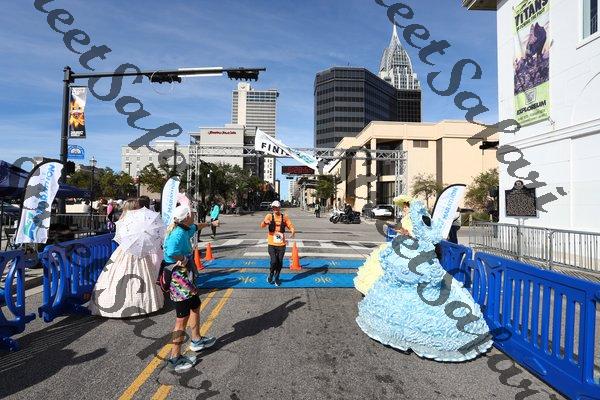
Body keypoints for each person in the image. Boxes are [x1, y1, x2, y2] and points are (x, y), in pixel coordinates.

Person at [355, 200, 492, 362]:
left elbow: (425, 238)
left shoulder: (421, 222)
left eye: (406, 206)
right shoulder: (415, 220)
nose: (405, 208)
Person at [163, 205, 219, 372]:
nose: (194, 215)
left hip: (186, 276)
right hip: (179, 278)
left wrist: (210, 224)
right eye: (192, 214)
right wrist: (183, 259)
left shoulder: (184, 228)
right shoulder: (178, 233)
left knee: (195, 305)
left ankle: (196, 339)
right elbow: (170, 251)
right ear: (187, 217)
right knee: (181, 319)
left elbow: (196, 226)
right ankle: (174, 357)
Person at [88, 199, 164, 318]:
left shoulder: (123, 220)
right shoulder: (137, 221)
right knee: (142, 275)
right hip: (136, 251)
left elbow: (122, 237)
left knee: (117, 275)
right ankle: (141, 304)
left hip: (123, 251)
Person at [354, 195, 412, 296]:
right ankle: (372, 287)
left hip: (405, 246)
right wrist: (398, 229)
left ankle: (378, 288)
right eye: (403, 207)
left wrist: (403, 231)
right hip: (398, 243)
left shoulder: (413, 219)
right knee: (379, 260)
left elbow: (412, 233)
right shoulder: (406, 218)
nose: (404, 209)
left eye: (406, 207)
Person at [259, 200, 296, 287]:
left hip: (281, 244)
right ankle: (271, 273)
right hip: (272, 243)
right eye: (274, 207)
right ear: (272, 208)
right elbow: (262, 225)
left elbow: (290, 225)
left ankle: (277, 277)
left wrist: (292, 231)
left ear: (279, 208)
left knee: (279, 262)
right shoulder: (269, 216)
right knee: (273, 261)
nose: (275, 209)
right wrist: (265, 222)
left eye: (277, 207)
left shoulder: (284, 217)